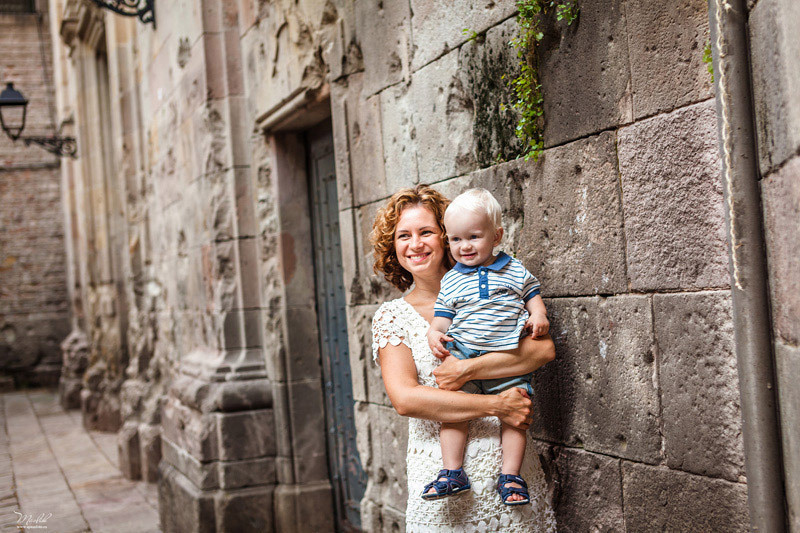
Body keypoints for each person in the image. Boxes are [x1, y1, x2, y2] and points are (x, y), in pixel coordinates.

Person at [370, 184, 557, 531]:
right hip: (442, 480)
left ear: (445, 237)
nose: (415, 244)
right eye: (403, 236)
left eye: (426, 232)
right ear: (392, 248)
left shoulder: (499, 286)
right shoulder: (391, 317)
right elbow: (406, 399)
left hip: (511, 474)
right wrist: (497, 406)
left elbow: (542, 350)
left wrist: (468, 369)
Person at [423, 188, 550, 506]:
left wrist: (538, 313)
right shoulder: (451, 280)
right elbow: (441, 318)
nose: (464, 246)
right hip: (464, 352)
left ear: (496, 236)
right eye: (455, 239)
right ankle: (453, 472)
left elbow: (532, 292)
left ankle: (511, 475)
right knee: (454, 412)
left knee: (516, 413)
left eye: (474, 237)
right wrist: (433, 334)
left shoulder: (513, 269)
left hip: (508, 354)